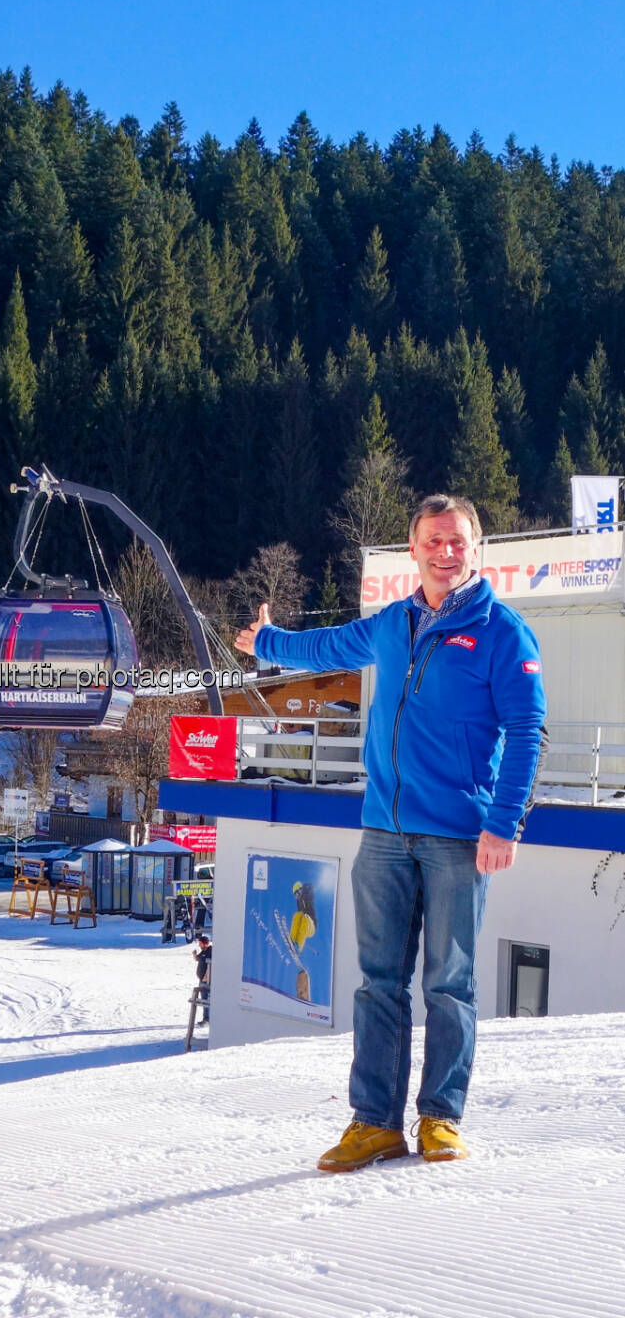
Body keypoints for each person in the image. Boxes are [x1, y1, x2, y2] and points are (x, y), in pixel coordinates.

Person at [235, 494, 546, 1170]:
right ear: (413, 548)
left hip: (459, 836)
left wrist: (504, 823)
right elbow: (324, 645)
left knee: (448, 984)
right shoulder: (390, 625)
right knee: (377, 983)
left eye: (457, 540)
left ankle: (440, 1118)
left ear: (474, 547)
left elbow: (527, 732)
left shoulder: (501, 631)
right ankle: (373, 1122)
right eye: (433, 540)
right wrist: (265, 642)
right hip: (381, 832)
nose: (445, 551)